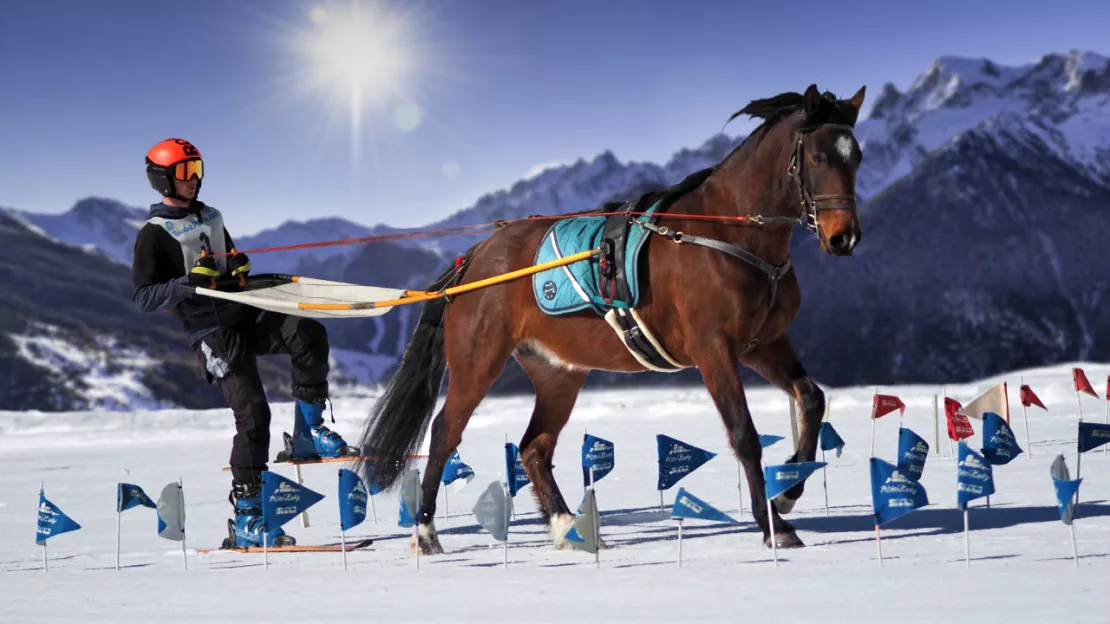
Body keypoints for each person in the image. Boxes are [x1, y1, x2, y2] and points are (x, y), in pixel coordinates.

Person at [131, 138, 359, 548]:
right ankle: (247, 519)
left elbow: (228, 256)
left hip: (244, 311)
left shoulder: (212, 215)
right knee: (253, 413)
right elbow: (144, 297)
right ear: (163, 179)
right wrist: (187, 283)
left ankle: (309, 432)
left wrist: (238, 266)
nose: (194, 181)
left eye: (198, 171)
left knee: (306, 331)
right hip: (210, 331)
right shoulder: (153, 234)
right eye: (185, 173)